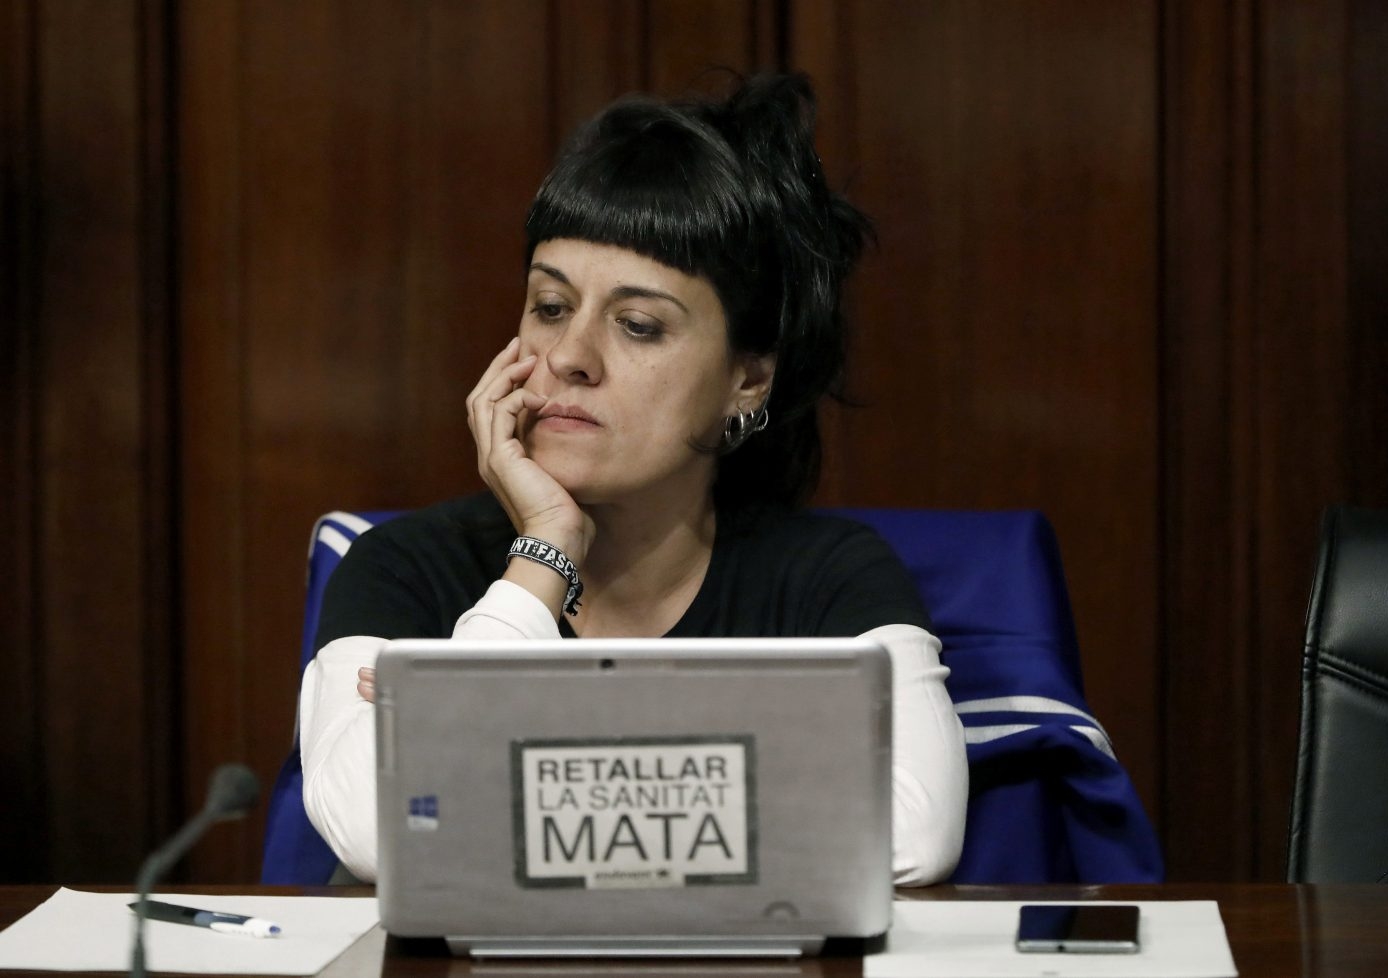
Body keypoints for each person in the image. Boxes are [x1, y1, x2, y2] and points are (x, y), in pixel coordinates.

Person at [299, 72, 967, 886]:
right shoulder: (404, 567)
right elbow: (380, 829)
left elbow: (914, 832)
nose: (571, 356)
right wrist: (544, 554)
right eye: (550, 307)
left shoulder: (827, 581)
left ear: (746, 381)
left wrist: (484, 786)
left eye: (638, 324)